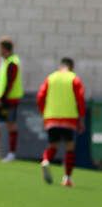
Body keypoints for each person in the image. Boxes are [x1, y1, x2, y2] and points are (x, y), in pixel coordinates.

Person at [37, 58, 86, 187]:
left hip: (51, 117)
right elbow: (80, 98)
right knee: (70, 146)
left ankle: (46, 160)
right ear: (71, 67)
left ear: (60, 66)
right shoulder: (74, 79)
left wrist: (44, 113)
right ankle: (67, 178)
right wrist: (81, 117)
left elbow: (40, 96)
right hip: (69, 118)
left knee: (53, 145)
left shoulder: (51, 78)